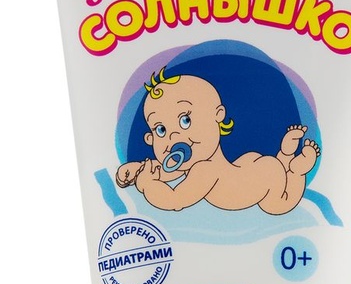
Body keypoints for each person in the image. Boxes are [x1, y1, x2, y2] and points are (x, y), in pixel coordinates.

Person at [116, 68, 320, 215]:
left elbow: (175, 199)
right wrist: (138, 170)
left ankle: (297, 171)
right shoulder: (194, 162)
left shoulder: (205, 170)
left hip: (261, 181)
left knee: (278, 205)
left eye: (185, 120)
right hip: (249, 165)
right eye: (161, 129)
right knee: (272, 169)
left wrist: (148, 185)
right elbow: (167, 170)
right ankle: (285, 155)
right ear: (150, 138)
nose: (173, 137)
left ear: (218, 115)